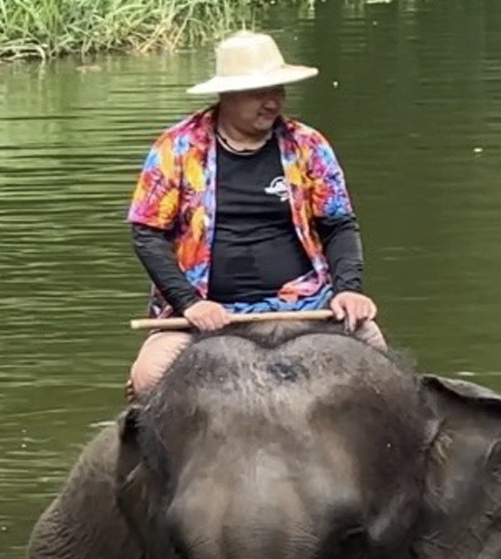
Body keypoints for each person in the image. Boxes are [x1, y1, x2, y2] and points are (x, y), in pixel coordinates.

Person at [124, 30, 384, 400]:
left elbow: (338, 224)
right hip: (202, 313)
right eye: (259, 92)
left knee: (377, 360)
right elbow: (147, 233)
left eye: (277, 90)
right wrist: (190, 303)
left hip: (305, 307)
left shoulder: (308, 145)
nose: (272, 102)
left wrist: (348, 290)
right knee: (148, 377)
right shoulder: (177, 148)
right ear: (227, 95)